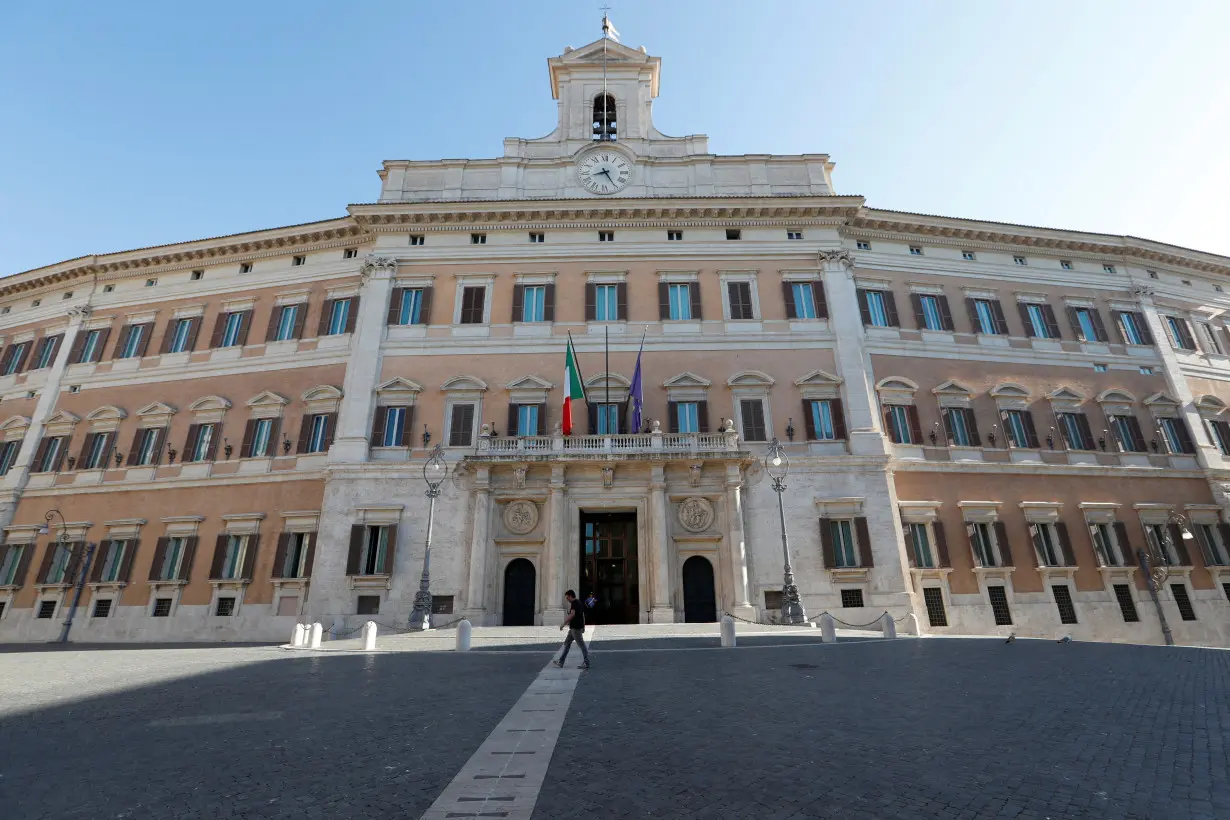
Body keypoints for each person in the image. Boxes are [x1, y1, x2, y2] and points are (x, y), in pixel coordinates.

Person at [553, 589, 590, 669]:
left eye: (567, 597)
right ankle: (561, 661)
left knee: (582, 645)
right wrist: (583, 626)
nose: (567, 599)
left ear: (570, 596)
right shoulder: (579, 603)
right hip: (573, 628)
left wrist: (563, 623)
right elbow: (582, 616)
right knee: (567, 644)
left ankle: (586, 662)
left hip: (575, 629)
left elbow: (572, 614)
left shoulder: (574, 604)